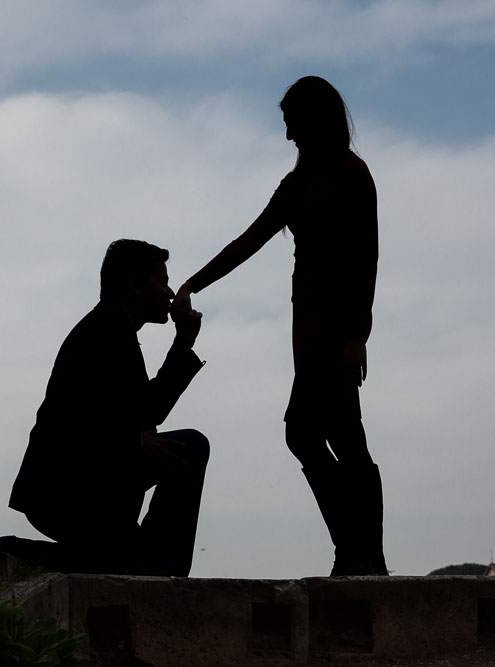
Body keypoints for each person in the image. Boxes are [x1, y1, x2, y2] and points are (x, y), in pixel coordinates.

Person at [172, 76, 386, 576]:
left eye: (291, 122)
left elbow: (366, 258)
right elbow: (248, 241)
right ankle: (359, 554)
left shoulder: (353, 174)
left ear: (313, 119)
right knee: (332, 436)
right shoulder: (297, 183)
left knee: (319, 436)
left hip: (337, 329)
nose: (288, 135)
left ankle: (360, 553)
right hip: (308, 329)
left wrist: (358, 336)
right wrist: (193, 283)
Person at [7, 239, 209, 576]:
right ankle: (159, 569)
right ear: (134, 283)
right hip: (66, 488)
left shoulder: (113, 325)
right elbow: (124, 417)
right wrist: (139, 442)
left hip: (73, 482)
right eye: (162, 282)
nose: (171, 293)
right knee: (190, 449)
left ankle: (141, 560)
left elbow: (138, 414)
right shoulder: (110, 326)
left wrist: (140, 438)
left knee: (175, 448)